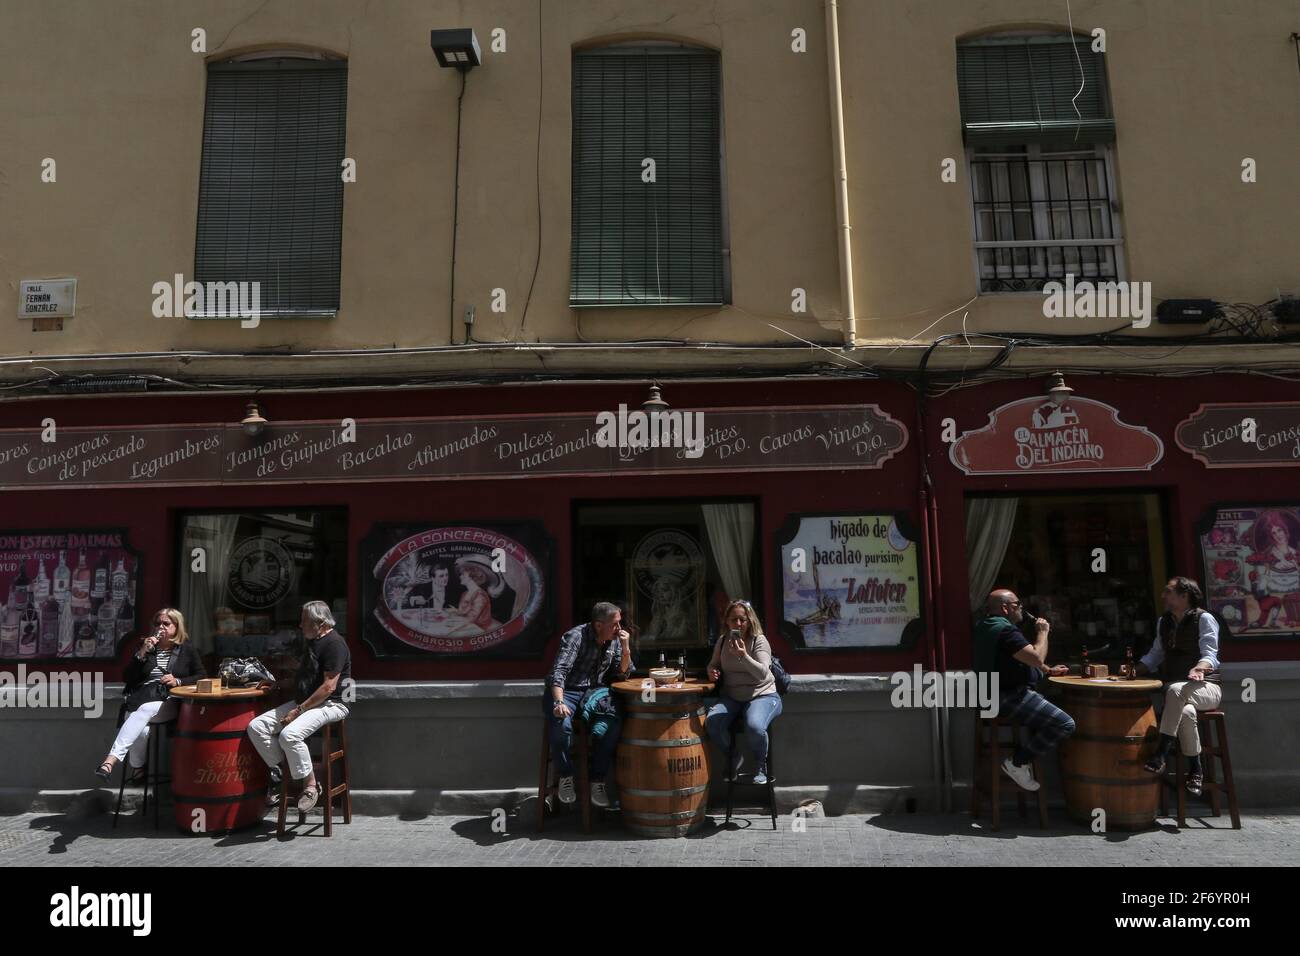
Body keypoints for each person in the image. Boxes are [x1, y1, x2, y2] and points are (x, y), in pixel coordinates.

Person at [247, 600, 352, 812]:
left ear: (320, 623)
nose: (300, 625)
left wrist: (298, 711)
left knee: (289, 735)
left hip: (333, 704)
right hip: (306, 701)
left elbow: (328, 687)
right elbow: (306, 679)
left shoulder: (335, 644)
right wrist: (278, 684)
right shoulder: (312, 641)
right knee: (257, 727)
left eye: (304, 621)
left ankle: (311, 785)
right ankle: (282, 773)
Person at [972, 589, 1074, 792]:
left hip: (989, 696)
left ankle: (1023, 758)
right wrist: (1043, 632)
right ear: (1005, 608)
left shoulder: (985, 626)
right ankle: (1017, 762)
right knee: (1065, 724)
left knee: (1047, 717)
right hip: (1008, 696)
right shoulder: (1007, 631)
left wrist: (1047, 671)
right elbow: (1036, 658)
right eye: (1017, 605)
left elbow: (1019, 659)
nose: (1021, 609)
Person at [1133, 577, 1222, 796]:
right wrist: (1136, 670)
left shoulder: (1204, 619)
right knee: (1186, 711)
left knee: (1174, 691)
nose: (1163, 596)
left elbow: (1210, 653)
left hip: (1206, 689)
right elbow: (1156, 654)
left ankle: (1160, 754)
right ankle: (1196, 769)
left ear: (1185, 596)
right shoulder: (1164, 622)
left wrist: (1200, 669)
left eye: (1168, 592)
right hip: (1180, 695)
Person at [96, 608, 205, 780]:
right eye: (157, 623)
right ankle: (138, 768)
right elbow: (127, 678)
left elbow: (201, 676)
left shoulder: (186, 649)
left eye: (166, 623)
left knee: (145, 710)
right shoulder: (146, 647)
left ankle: (110, 761)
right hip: (141, 698)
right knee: (142, 731)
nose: (160, 627)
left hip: (169, 700)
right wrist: (142, 653)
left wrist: (178, 681)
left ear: (177, 627)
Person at [545, 602, 634, 809]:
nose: (619, 629)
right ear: (598, 625)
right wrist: (558, 702)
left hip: (594, 692)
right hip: (567, 690)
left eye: (619, 623)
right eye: (615, 624)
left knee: (614, 723)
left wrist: (626, 647)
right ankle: (566, 776)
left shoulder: (614, 640)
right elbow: (558, 673)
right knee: (562, 725)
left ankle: (597, 780)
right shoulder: (576, 636)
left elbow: (623, 673)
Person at [705, 599, 781, 784]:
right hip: (732, 695)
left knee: (754, 726)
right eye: (734, 620)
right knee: (711, 723)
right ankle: (733, 755)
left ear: (750, 620)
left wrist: (743, 656)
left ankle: (760, 765)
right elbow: (713, 664)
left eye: (742, 619)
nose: (738, 624)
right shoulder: (723, 641)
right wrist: (711, 671)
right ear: (727, 622)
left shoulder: (759, 640)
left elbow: (763, 673)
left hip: (762, 694)